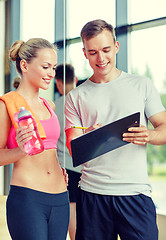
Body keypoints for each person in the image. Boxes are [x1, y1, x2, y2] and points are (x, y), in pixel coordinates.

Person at [64, 19, 166, 240]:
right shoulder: (75, 97)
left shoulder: (142, 85)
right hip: (92, 196)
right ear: (84, 53)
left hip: (135, 193)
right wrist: (89, 137)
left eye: (106, 50)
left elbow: (164, 128)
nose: (100, 58)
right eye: (92, 52)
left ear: (116, 47)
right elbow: (74, 150)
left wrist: (149, 135)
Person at [0, 38, 69, 240]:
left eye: (54, 68)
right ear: (24, 65)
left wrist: (58, 168)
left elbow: (51, 150)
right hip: (28, 198)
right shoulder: (7, 104)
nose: (51, 74)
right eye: (46, 67)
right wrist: (20, 150)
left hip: (60, 197)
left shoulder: (50, 106)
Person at [55, 63, 82, 240]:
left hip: (66, 166)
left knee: (72, 208)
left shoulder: (56, 105)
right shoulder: (84, 100)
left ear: (57, 82)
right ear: (76, 79)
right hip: (86, 166)